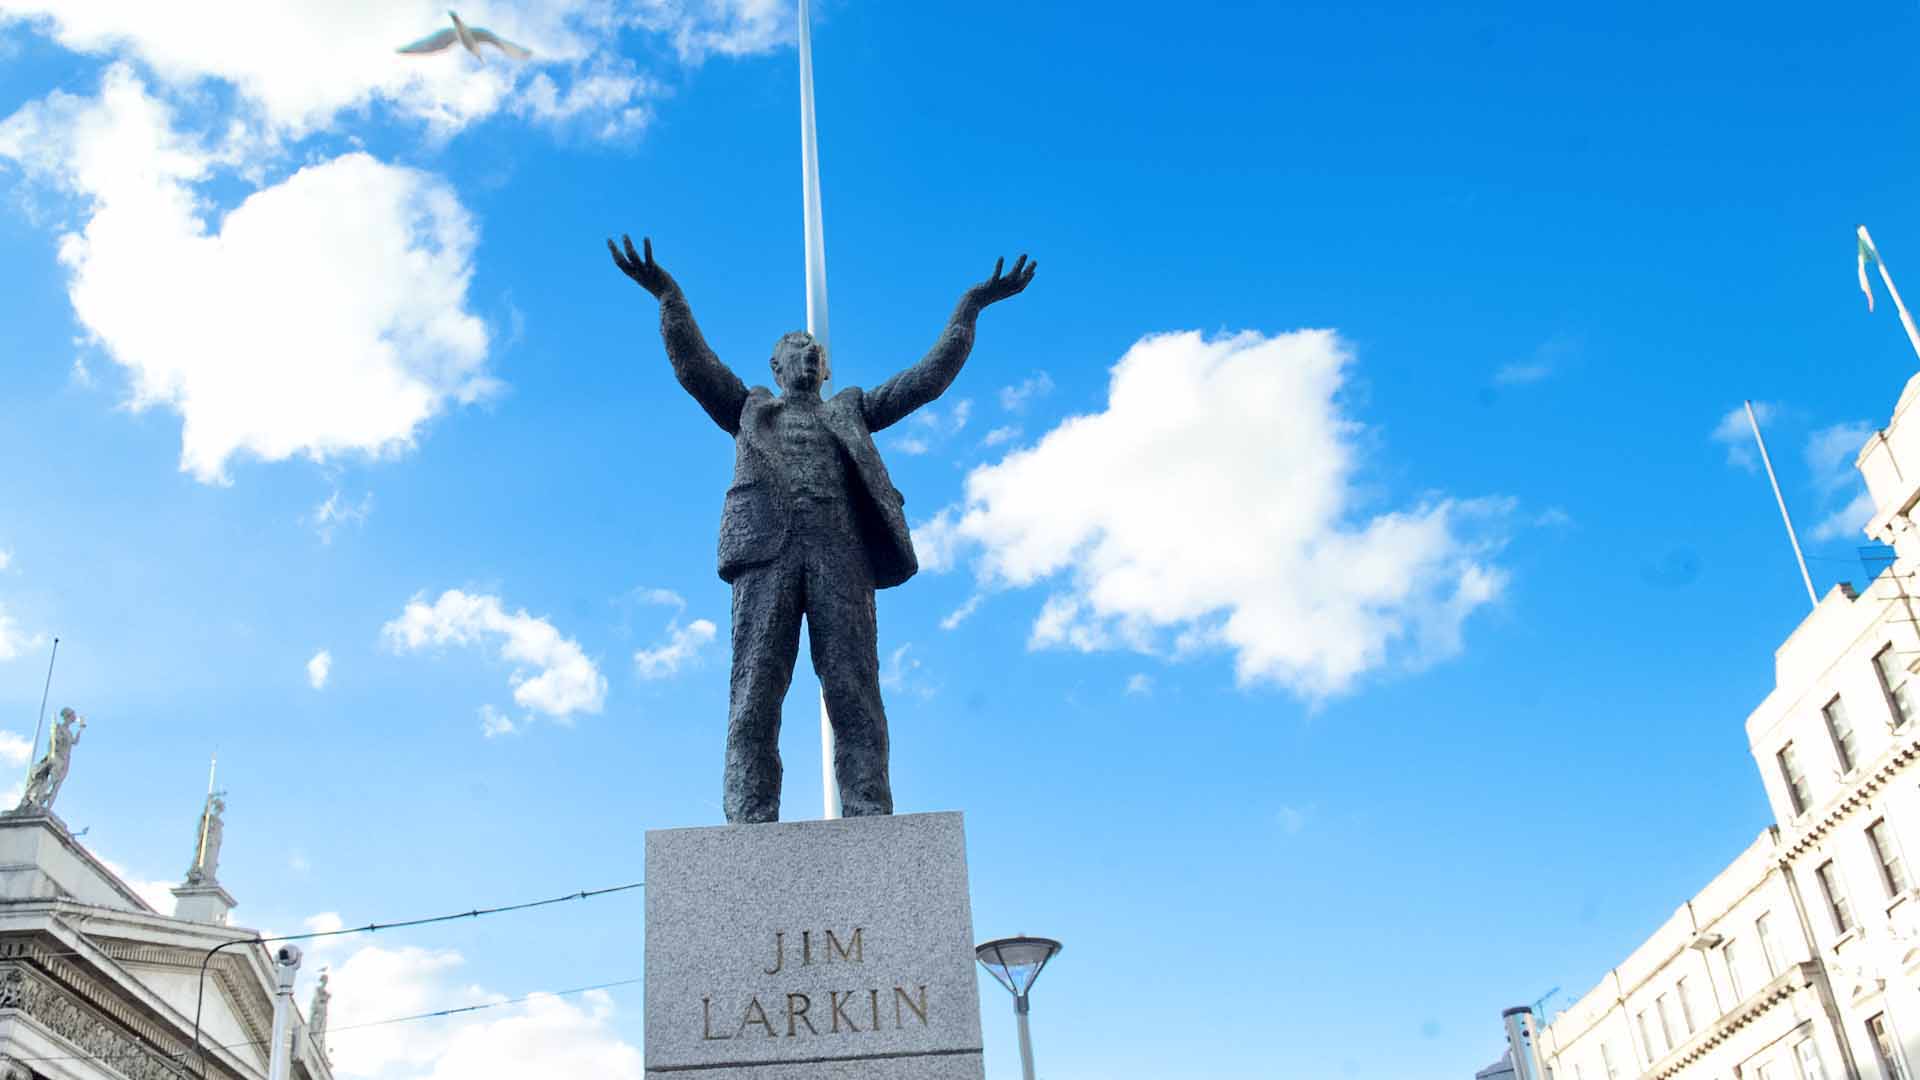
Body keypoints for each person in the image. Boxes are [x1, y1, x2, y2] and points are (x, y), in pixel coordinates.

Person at [608, 234, 1036, 822]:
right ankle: (750, 814)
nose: (808, 357)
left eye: (816, 352)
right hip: (766, 555)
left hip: (841, 555)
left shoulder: (852, 409)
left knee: (854, 689)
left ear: (826, 368)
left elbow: (926, 379)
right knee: (756, 691)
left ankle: (868, 809)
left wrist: (971, 306)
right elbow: (693, 363)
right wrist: (668, 295)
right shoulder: (748, 408)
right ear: (775, 367)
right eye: (795, 350)